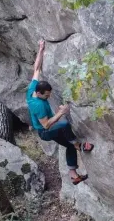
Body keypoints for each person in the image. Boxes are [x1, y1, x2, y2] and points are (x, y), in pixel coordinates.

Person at [26, 40, 94, 185]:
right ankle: (79, 146)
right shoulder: (38, 105)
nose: (49, 96)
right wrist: (61, 113)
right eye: (46, 95)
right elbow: (46, 126)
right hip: (46, 132)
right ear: (39, 93)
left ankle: (73, 175)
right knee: (64, 124)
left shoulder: (32, 89)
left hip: (48, 127)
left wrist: (41, 48)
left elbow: (36, 68)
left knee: (67, 145)